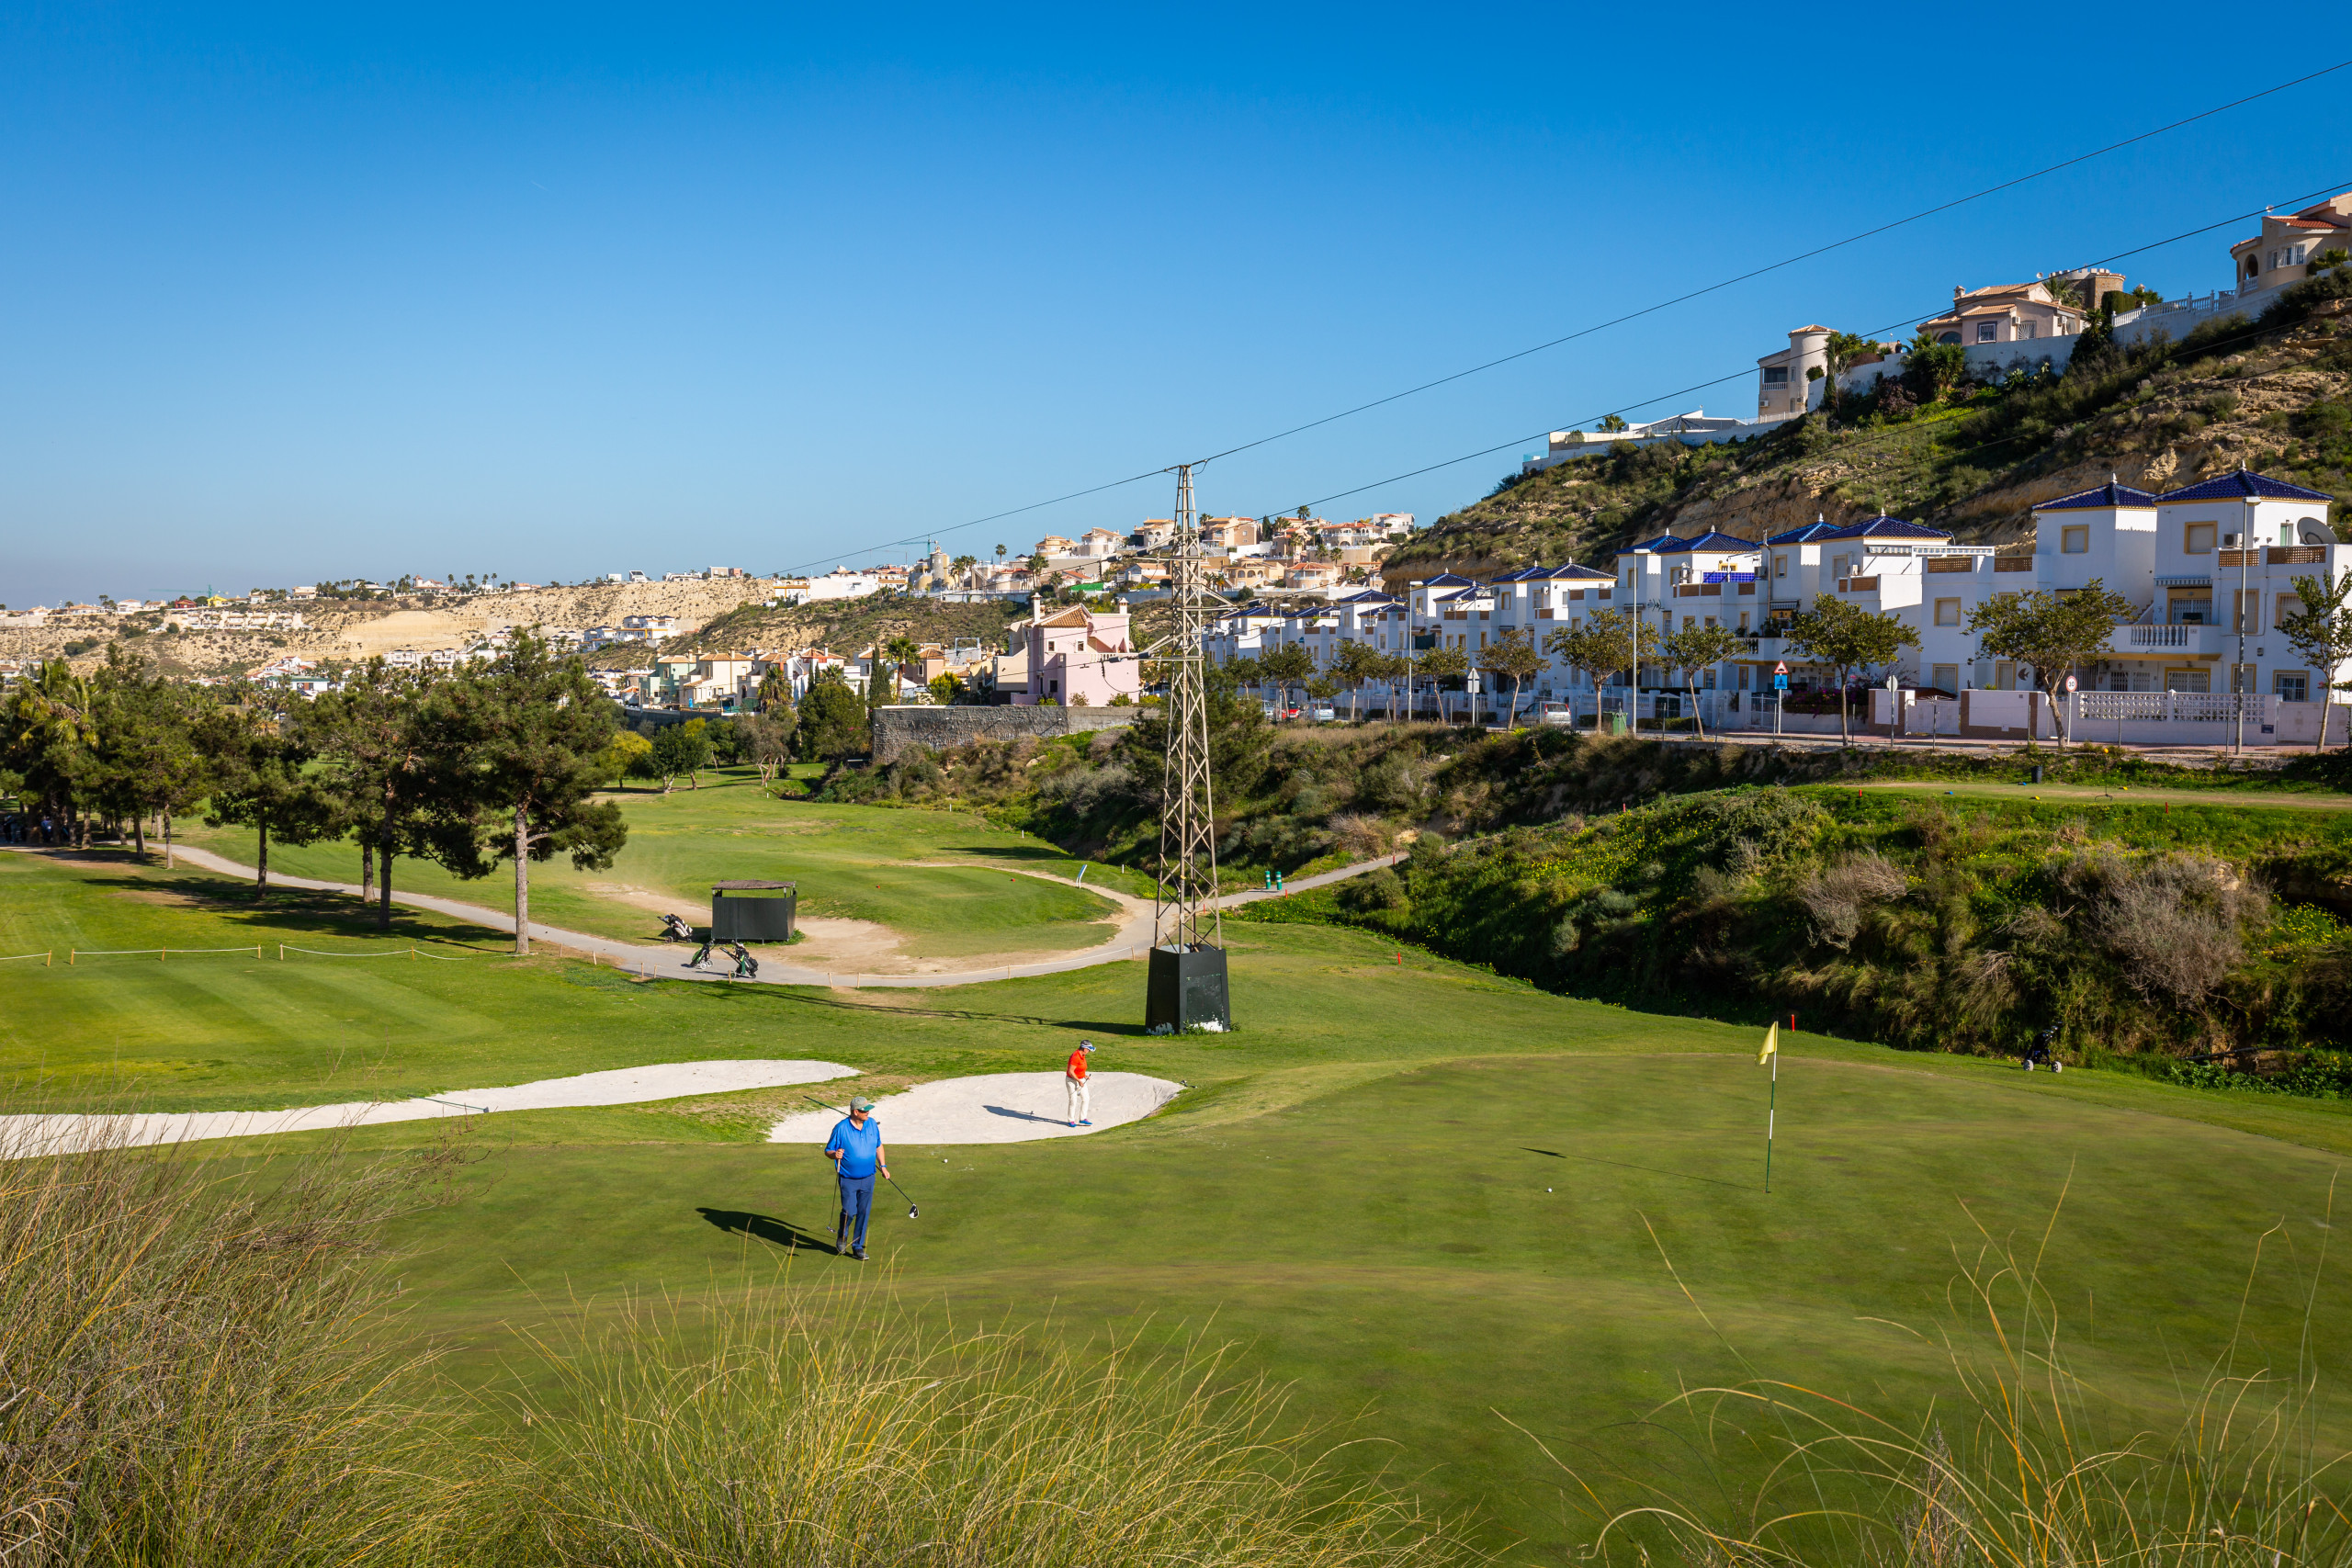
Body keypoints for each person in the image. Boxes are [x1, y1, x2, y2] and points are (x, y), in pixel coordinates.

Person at [822, 1097, 888, 1260]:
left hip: (869, 1177)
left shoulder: (872, 1124)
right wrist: (835, 1154)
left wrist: (883, 1166)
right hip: (848, 1179)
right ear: (856, 1112)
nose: (868, 1112)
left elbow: (878, 1145)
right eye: (865, 1110)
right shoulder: (841, 1128)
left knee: (864, 1212)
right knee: (849, 1211)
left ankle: (857, 1246)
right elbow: (828, 1150)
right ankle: (842, 1236)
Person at [1066, 1040, 1093, 1127]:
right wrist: (1079, 1081)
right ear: (1085, 1049)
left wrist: (1084, 1075)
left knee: (1086, 1098)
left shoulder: (1082, 1055)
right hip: (1071, 1081)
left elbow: (1079, 1068)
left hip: (1080, 1079)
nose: (1089, 1051)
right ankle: (1071, 1120)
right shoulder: (1076, 1056)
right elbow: (1071, 1071)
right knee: (1073, 1100)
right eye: (1088, 1049)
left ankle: (1083, 1119)